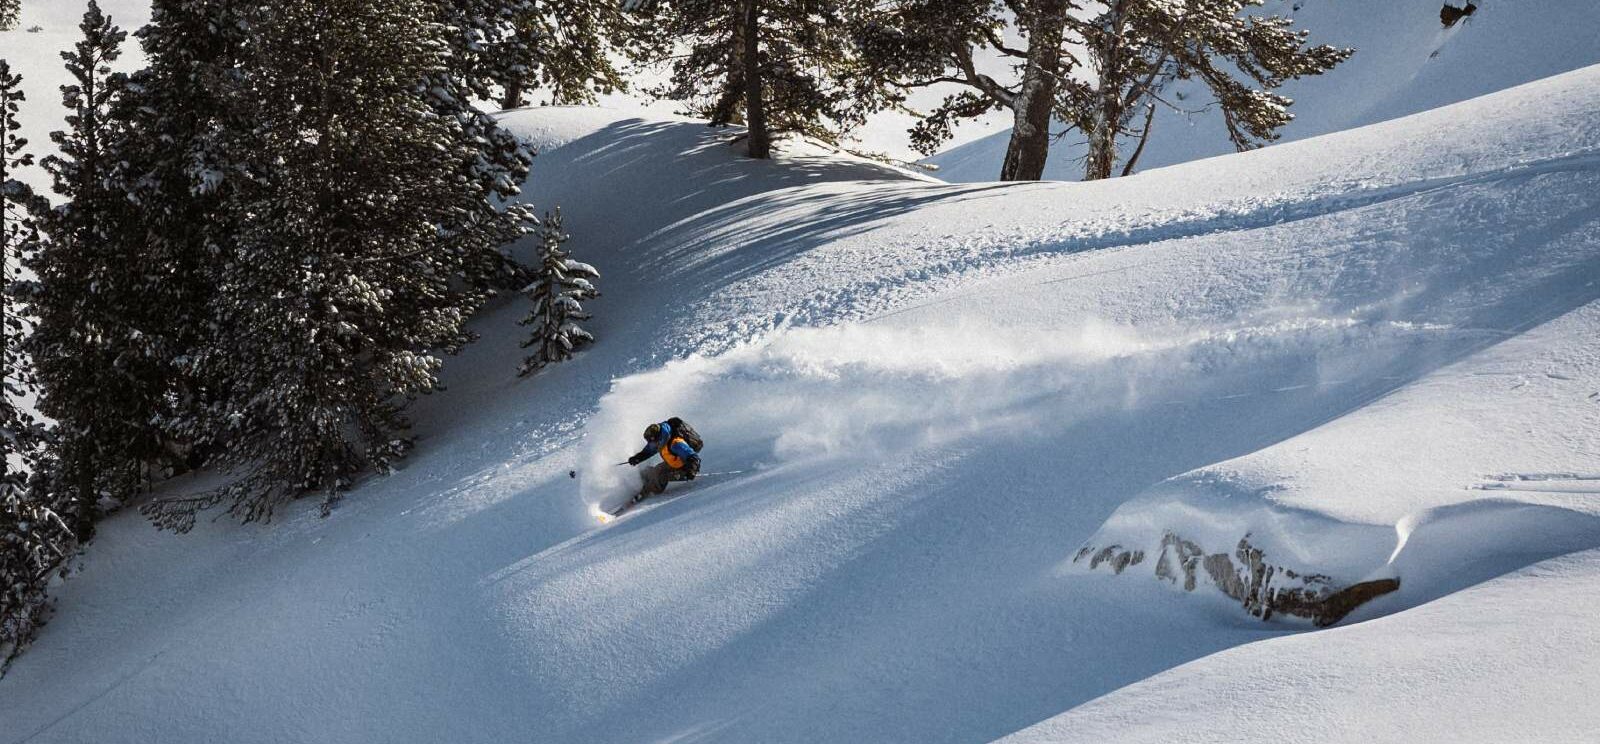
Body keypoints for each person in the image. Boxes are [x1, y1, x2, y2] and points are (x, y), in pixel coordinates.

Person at [625, 419, 702, 504]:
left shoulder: (676, 443)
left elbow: (693, 457)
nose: (652, 444)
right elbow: (648, 451)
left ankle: (648, 490)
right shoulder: (661, 439)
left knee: (661, 476)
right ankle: (648, 481)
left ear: (658, 438)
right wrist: (637, 458)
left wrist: (691, 470)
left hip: (684, 469)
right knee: (655, 470)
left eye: (653, 441)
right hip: (673, 463)